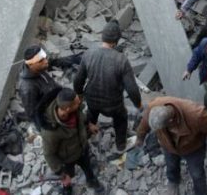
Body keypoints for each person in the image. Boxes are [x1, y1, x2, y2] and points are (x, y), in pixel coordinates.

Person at [73, 21, 141, 153]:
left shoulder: (89, 54)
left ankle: (85, 138)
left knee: (91, 116)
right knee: (121, 118)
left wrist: (79, 94)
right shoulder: (121, 60)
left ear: (102, 37)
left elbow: (78, 79)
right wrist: (138, 104)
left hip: (92, 100)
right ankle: (121, 145)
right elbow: (132, 89)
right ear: (116, 41)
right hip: (113, 105)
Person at [135, 97, 207, 195]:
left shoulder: (197, 115)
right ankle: (173, 181)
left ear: (171, 121)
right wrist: (140, 137)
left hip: (193, 147)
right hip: (168, 145)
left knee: (197, 173)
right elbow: (145, 122)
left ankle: (201, 192)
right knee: (171, 165)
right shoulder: (154, 107)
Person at [37, 88, 105, 195]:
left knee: (87, 166)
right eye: (77, 103)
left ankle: (91, 180)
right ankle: (67, 187)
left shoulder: (74, 110)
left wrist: (89, 125)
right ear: (68, 109)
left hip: (82, 148)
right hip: (67, 158)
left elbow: (82, 117)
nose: (81, 103)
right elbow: (49, 154)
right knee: (67, 176)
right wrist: (61, 173)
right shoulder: (50, 132)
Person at [18, 45, 61, 122]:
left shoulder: (39, 69)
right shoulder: (28, 88)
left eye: (45, 58)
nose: (46, 61)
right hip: (49, 113)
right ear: (31, 65)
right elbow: (32, 114)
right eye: (41, 61)